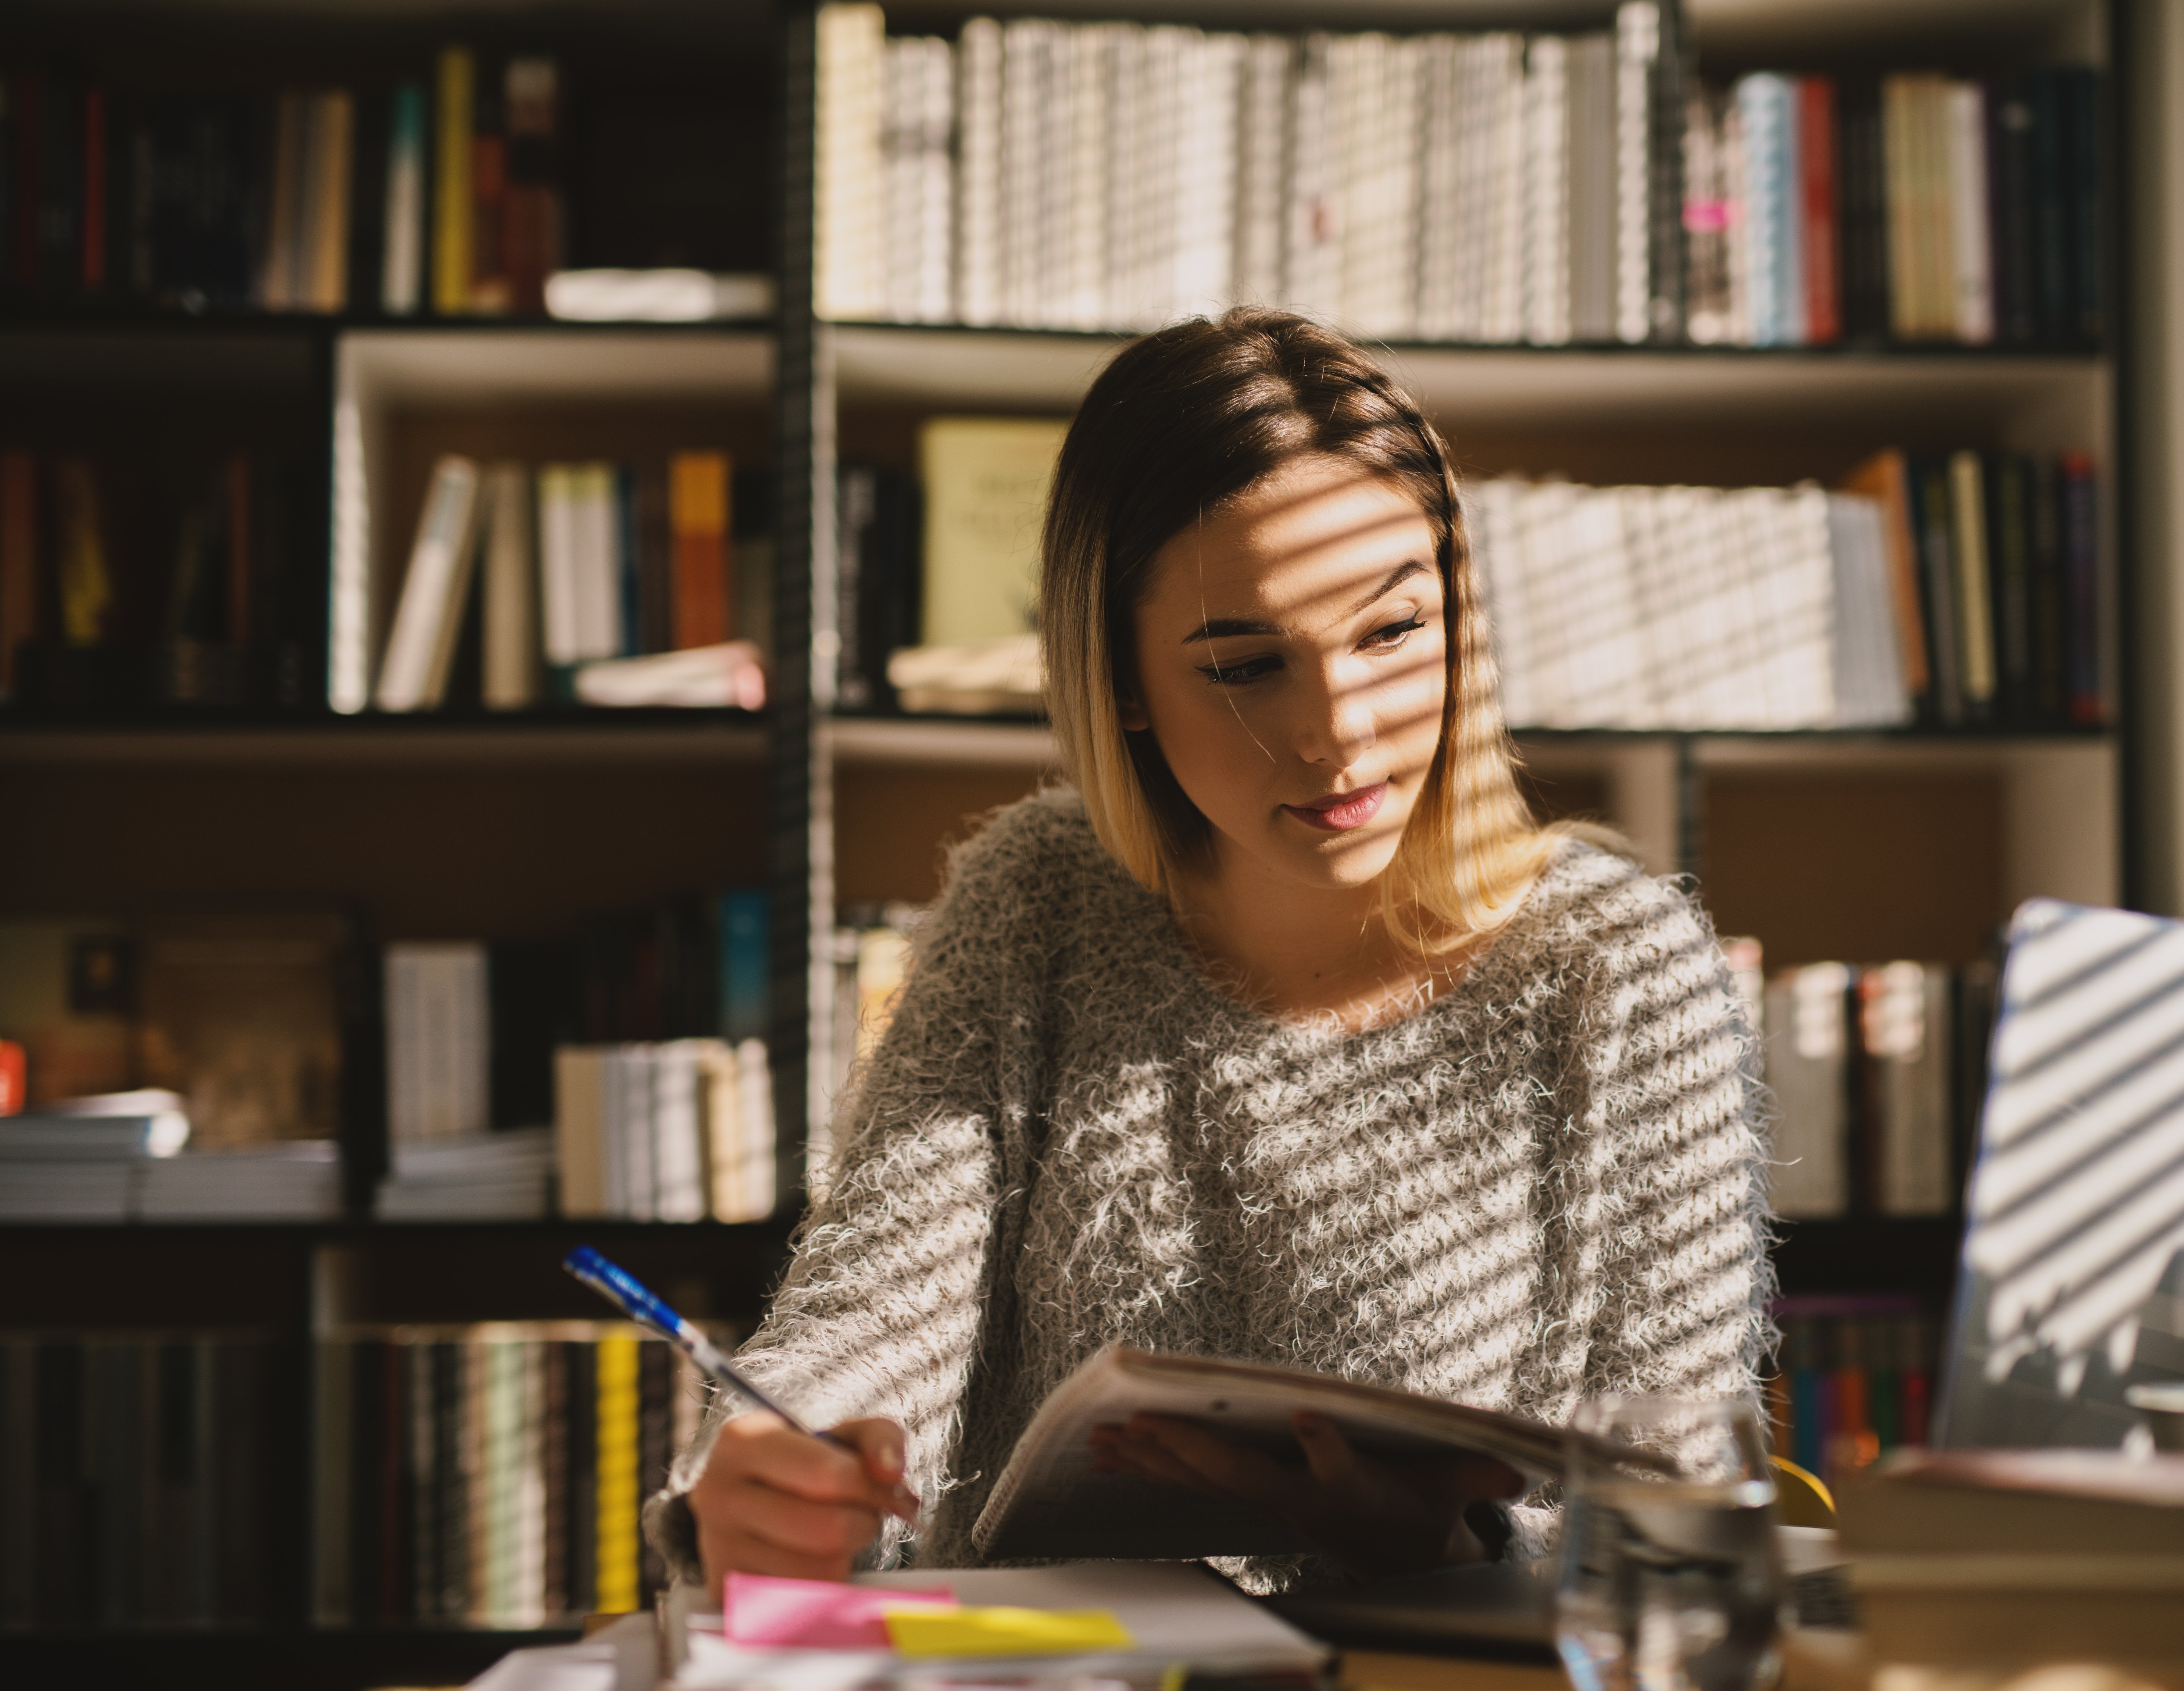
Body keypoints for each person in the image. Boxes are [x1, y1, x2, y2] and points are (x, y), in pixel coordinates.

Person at [648, 308, 1770, 1597]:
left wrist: (1453, 1549)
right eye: (1244, 666)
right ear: (1120, 681)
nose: (1339, 733)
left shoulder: (1625, 970)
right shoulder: (1038, 902)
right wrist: (778, 1470)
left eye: (1393, 632)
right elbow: (873, 1316)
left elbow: (1678, 1515)